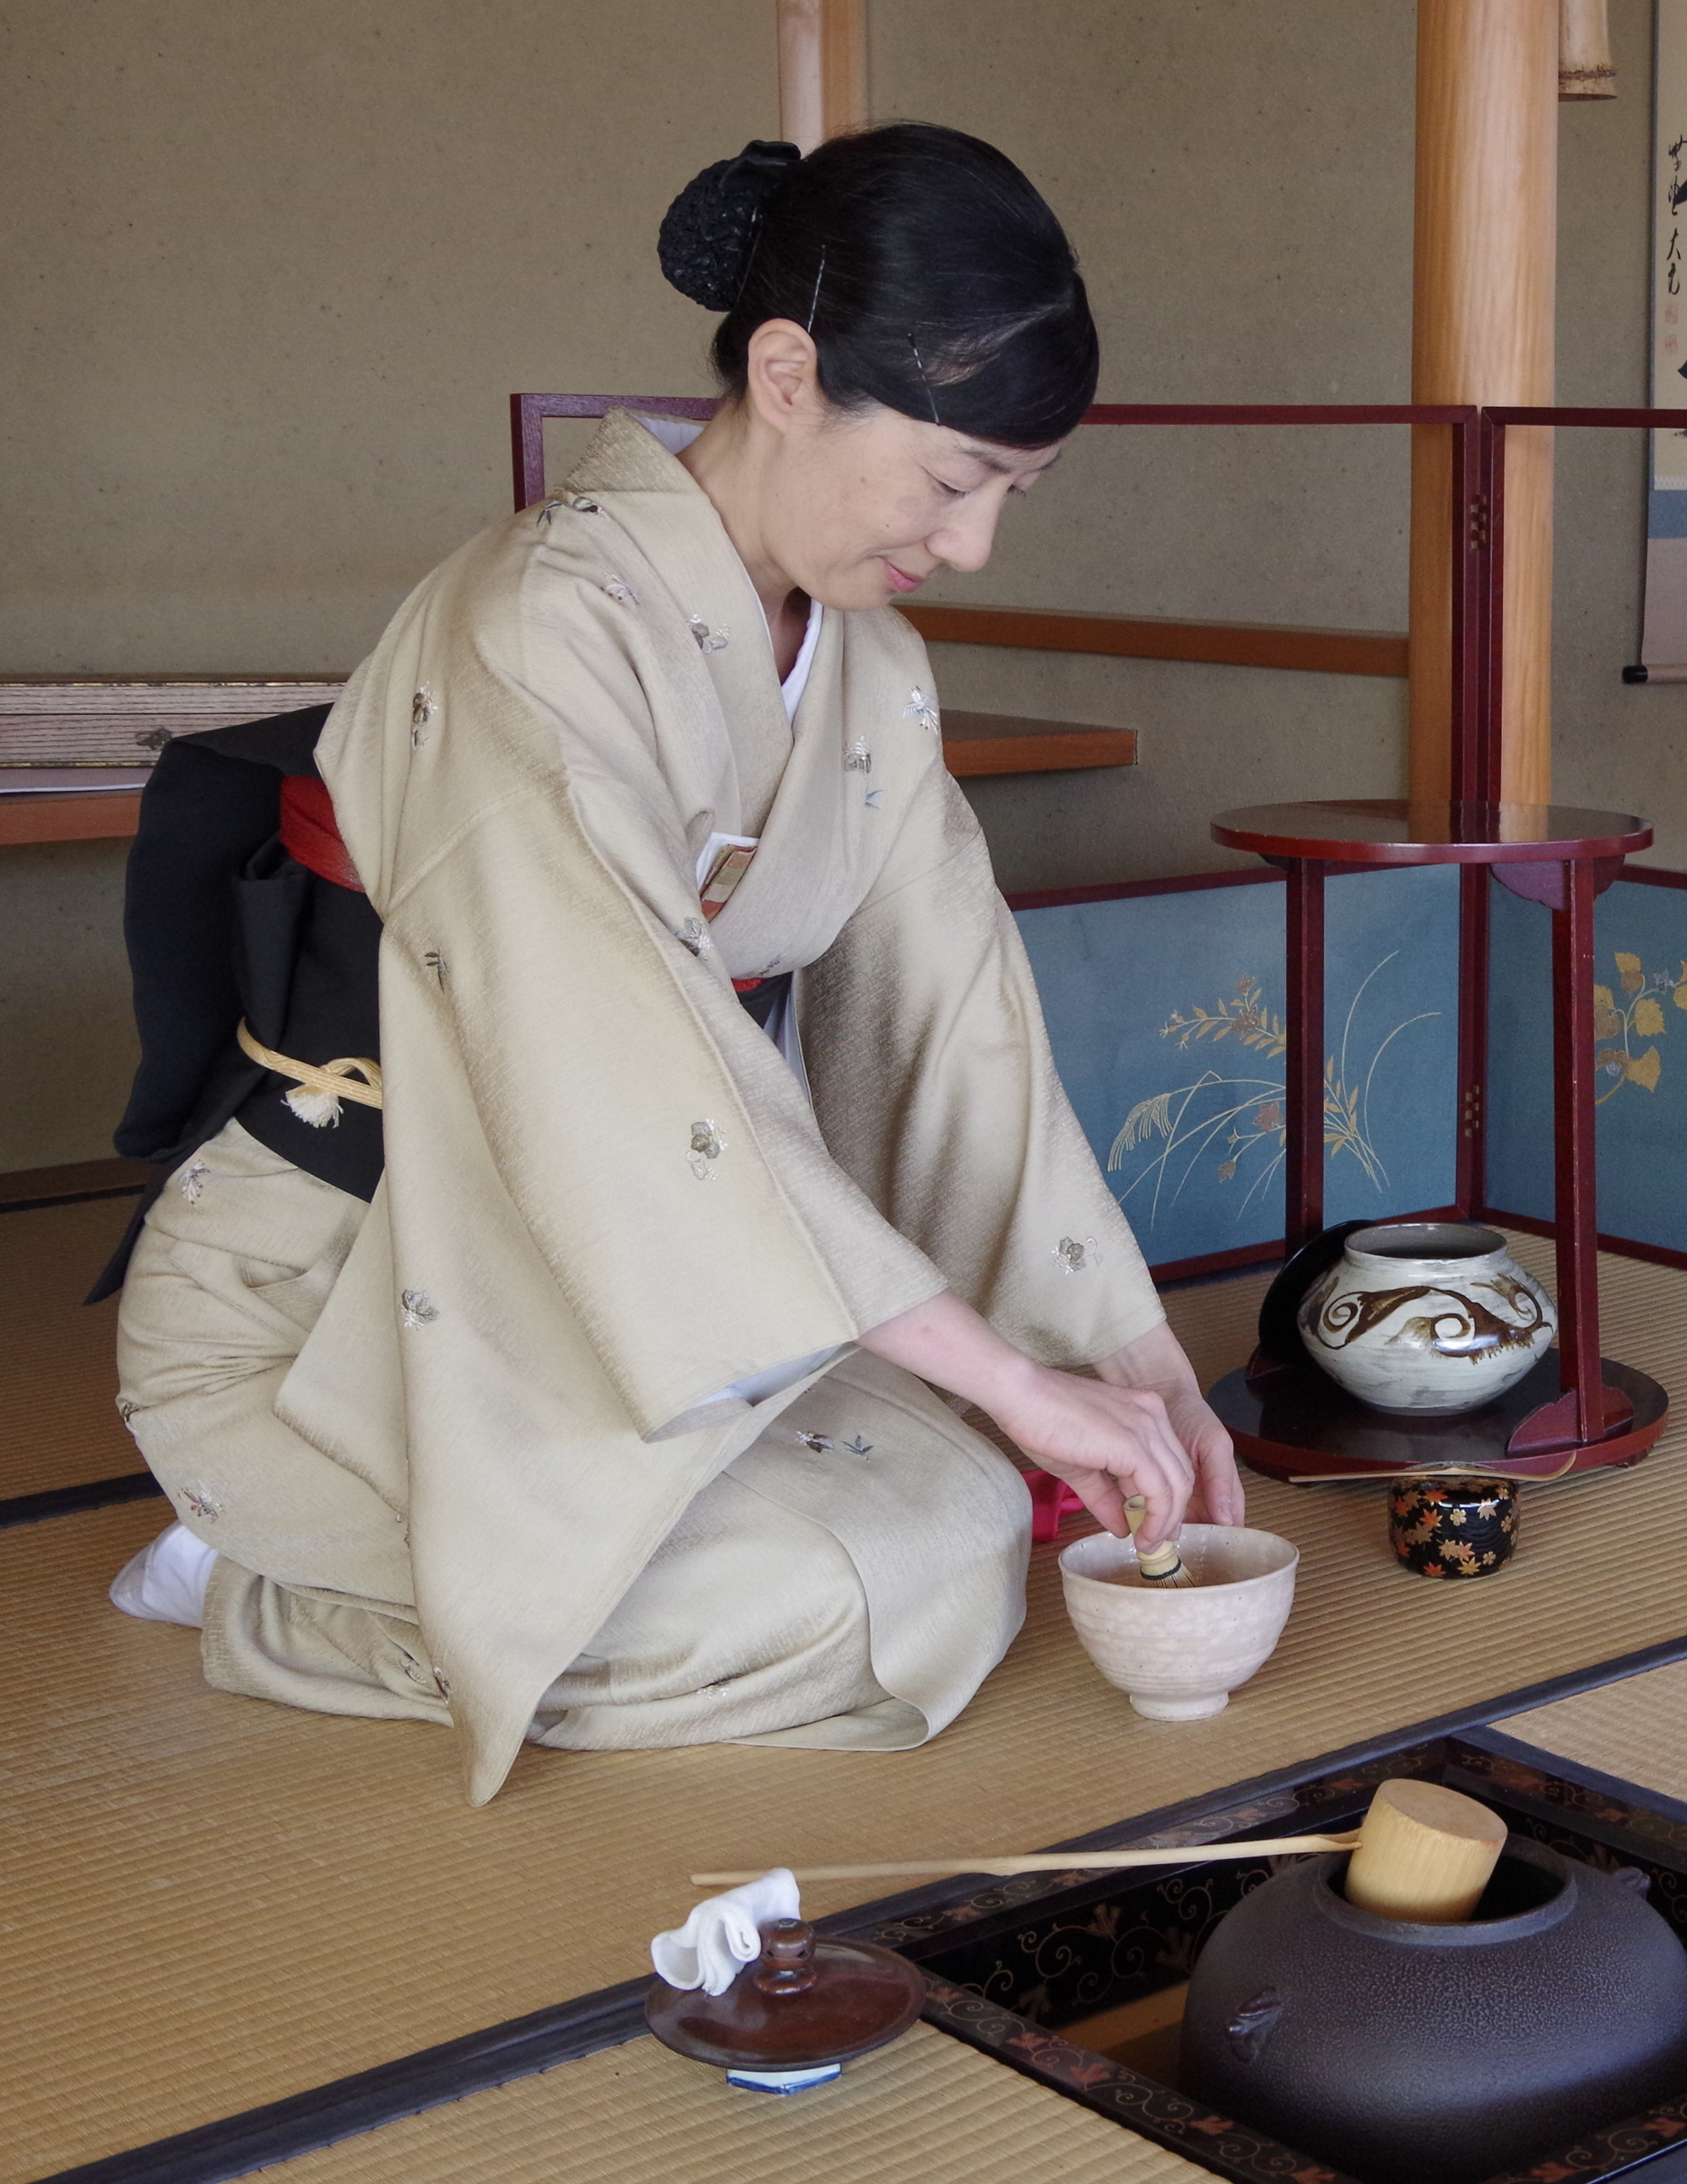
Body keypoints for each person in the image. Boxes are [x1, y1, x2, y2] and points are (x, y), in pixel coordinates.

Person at [99, 128, 1239, 1803]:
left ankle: (417, 1555)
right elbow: (637, 1076)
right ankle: (270, 1582)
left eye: (1016, 490)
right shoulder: (532, 631)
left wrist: (1129, 1379)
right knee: (822, 1600)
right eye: (950, 478)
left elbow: (957, 1045)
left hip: (589, 1291)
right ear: (788, 374)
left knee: (971, 1517)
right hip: (336, 1303)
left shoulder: (872, 675)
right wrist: (1000, 1374)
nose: (979, 542)